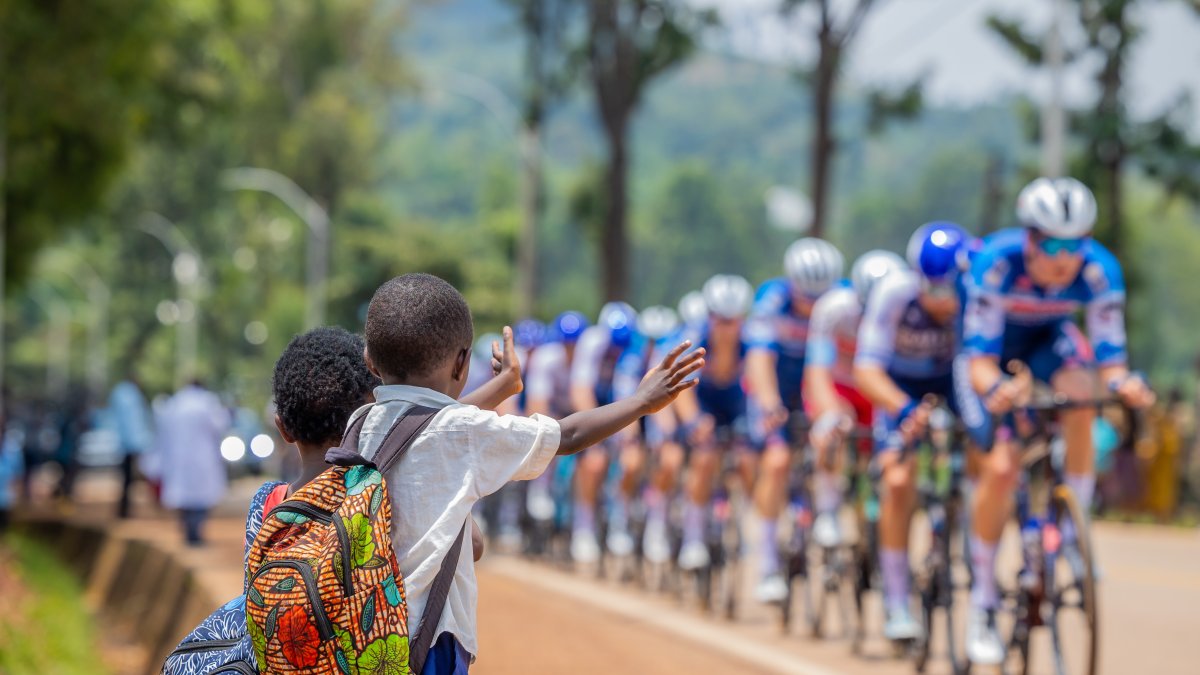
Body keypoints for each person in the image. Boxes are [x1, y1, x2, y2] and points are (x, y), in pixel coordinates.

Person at [352, 273, 703, 672]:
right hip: (429, 642)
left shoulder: (359, 422)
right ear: (464, 362)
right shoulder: (464, 434)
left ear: (369, 360)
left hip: (360, 636)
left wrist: (503, 387)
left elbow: (431, 423)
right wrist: (640, 402)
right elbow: (567, 434)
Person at [958, 177, 1154, 665]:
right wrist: (998, 390)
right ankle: (982, 604)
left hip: (1048, 341)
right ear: (1029, 238)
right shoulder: (996, 264)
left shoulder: (1099, 271)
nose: (1065, 256)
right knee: (1002, 469)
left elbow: (1111, 360)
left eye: (1076, 243)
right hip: (992, 353)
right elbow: (979, 360)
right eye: (1052, 244)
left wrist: (1123, 384)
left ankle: (1071, 529)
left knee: (1082, 397)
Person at [854, 222, 971, 641]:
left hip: (951, 383)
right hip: (898, 388)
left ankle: (962, 531)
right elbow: (865, 370)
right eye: (936, 291)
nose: (946, 302)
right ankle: (897, 600)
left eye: (952, 291)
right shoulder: (894, 295)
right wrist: (903, 409)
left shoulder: (972, 295)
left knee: (979, 453)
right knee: (899, 480)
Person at [744, 237, 844, 603]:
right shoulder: (771, 300)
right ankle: (767, 564)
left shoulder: (842, 299)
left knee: (832, 434)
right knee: (778, 461)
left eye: (822, 297)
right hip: (779, 382)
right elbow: (758, 359)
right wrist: (769, 402)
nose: (814, 305)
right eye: (806, 297)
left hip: (820, 380)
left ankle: (829, 510)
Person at [803, 250, 906, 549]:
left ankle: (871, 510)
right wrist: (831, 412)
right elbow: (817, 370)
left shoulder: (905, 311)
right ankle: (829, 510)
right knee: (830, 431)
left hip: (877, 388)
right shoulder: (833, 309)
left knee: (882, 451)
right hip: (839, 386)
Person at [669, 274, 756, 571]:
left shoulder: (752, 341)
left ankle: (742, 523)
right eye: (721, 320)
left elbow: (759, 381)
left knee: (747, 458)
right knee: (704, 458)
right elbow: (680, 388)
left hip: (734, 401)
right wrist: (694, 421)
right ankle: (694, 538)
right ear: (709, 317)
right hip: (700, 397)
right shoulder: (695, 339)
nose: (727, 328)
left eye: (733, 321)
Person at [567, 301, 640, 562]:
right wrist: (595, 433)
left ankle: (619, 520)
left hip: (614, 400)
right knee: (595, 461)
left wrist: (628, 435)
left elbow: (628, 395)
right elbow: (580, 389)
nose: (618, 350)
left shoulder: (633, 346)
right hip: (590, 399)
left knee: (631, 461)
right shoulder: (592, 342)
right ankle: (583, 528)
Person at [159, 379, 231, 546]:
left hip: (180, 457)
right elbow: (221, 424)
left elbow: (164, 429)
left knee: (184, 497)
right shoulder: (207, 402)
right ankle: (196, 532)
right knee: (201, 497)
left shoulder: (175, 403)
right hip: (202, 456)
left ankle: (188, 531)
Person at [109, 378, 153, 518]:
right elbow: (134, 423)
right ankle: (125, 510)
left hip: (125, 444)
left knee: (127, 478)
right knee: (129, 478)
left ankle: (124, 509)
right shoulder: (131, 396)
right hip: (130, 444)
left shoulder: (121, 394)